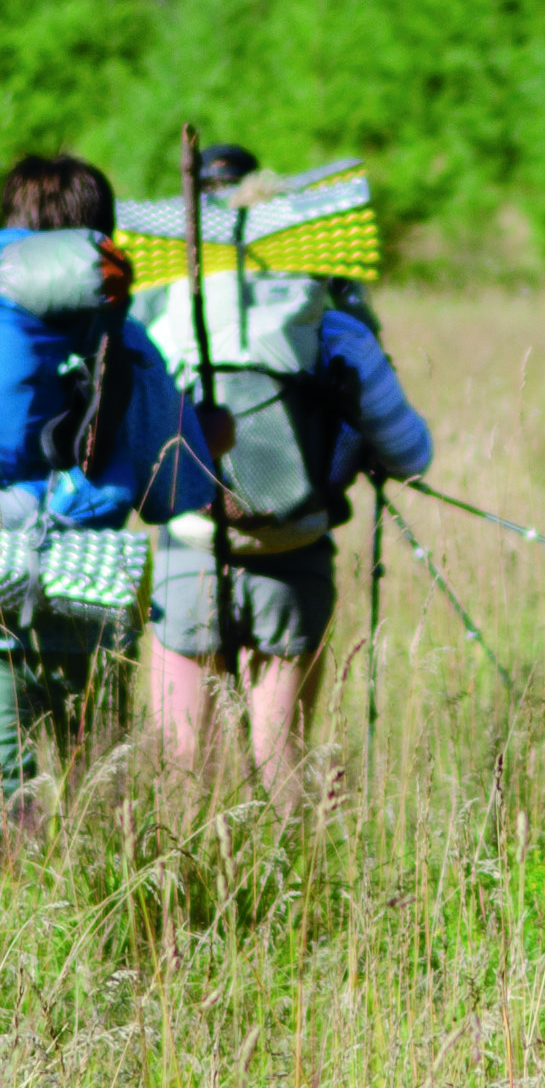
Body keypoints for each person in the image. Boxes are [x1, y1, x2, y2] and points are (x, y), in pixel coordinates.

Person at [0, 150, 207, 874]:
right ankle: (98, 941)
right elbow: (179, 490)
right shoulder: (127, 341)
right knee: (98, 806)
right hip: (85, 600)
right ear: (99, 241)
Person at [139, 141, 436, 807]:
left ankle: (198, 898)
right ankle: (299, 897)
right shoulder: (332, 327)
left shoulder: (163, 319)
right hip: (295, 558)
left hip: (188, 551)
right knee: (283, 764)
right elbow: (412, 456)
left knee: (185, 768)